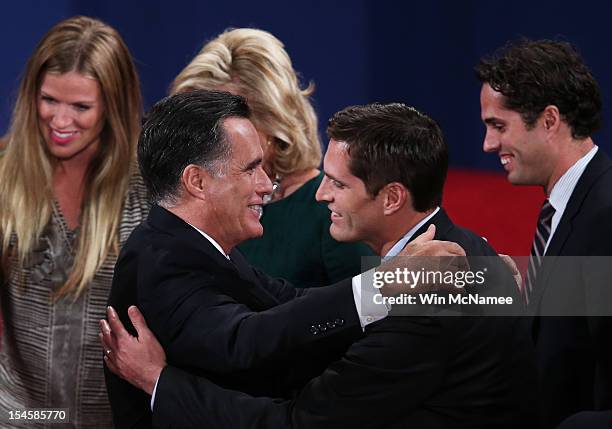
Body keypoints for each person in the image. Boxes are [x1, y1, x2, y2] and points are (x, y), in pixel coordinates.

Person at [102, 101, 535, 428]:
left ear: (392, 198)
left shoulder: (429, 293)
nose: (317, 195)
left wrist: (161, 382)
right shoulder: (167, 256)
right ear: (197, 181)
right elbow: (251, 335)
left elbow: (304, 420)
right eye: (251, 167)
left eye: (337, 182)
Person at [0, 16, 149, 427]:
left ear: (112, 107)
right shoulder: (4, 176)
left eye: (81, 106)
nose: (61, 121)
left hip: (115, 418)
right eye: (49, 100)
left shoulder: (150, 189)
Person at [477, 39, 612, 428]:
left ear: (550, 120)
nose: (488, 144)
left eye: (498, 126)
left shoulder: (605, 215)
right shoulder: (567, 207)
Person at [169, 28, 373, 286]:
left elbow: (383, 310)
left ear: (275, 122)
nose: (207, 142)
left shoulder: (329, 209)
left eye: (225, 124)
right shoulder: (188, 208)